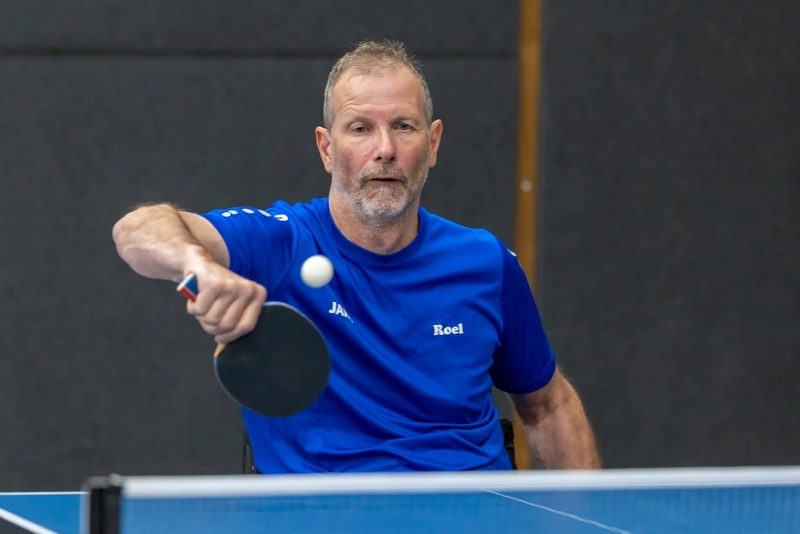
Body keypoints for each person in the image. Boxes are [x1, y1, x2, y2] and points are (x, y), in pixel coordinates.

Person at [112, 40, 600, 473]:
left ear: (433, 143)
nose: (384, 149)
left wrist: (590, 519)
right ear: (327, 148)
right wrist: (196, 264)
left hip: (470, 509)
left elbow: (549, 405)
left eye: (403, 127)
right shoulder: (281, 241)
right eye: (361, 128)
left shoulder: (486, 263)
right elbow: (137, 229)